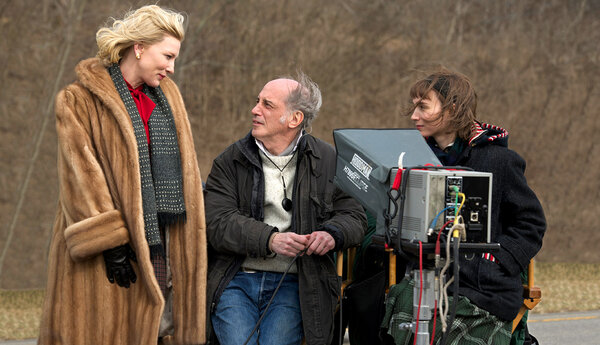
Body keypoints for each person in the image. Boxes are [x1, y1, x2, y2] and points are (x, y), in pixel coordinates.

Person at [38, 5, 207, 345]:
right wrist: (110, 242)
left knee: (157, 331)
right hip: (106, 250)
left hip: (161, 241)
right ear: (139, 47)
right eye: (168, 56)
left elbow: (185, 172)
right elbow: (80, 177)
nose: (172, 68)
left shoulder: (168, 97)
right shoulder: (79, 99)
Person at [381, 69, 546, 345]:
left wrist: (494, 260)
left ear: (452, 108)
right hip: (423, 276)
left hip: (482, 287)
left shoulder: (499, 160)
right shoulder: (413, 160)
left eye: (423, 106)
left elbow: (531, 223)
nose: (414, 116)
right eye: (414, 107)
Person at [203, 72, 366, 345]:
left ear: (294, 119)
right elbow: (216, 222)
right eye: (257, 101)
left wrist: (331, 234)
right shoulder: (230, 160)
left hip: (298, 283)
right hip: (236, 279)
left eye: (267, 105)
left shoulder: (328, 160)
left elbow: (354, 216)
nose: (254, 110)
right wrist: (270, 239)